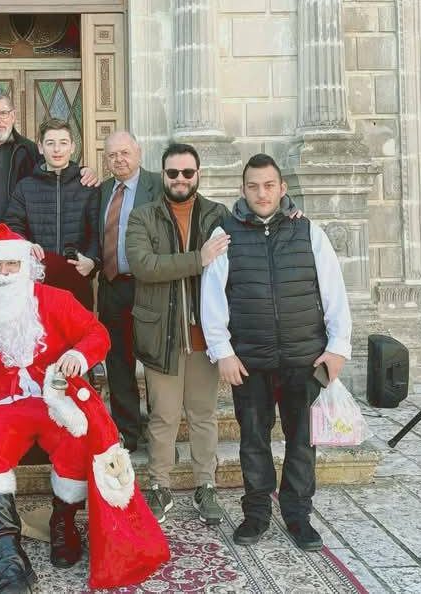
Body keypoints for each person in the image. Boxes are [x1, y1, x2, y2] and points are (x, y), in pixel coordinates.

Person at [0, 224, 168, 592]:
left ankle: (63, 522)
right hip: (0, 401)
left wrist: (78, 356)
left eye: (11, 265)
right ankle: (8, 553)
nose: (3, 274)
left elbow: (97, 333)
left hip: (52, 397)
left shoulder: (54, 299)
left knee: (77, 438)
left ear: (26, 268)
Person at [201, 153, 351, 552]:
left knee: (302, 440)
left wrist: (338, 347)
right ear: (243, 190)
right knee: (253, 439)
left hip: (304, 358)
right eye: (253, 186)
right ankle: (256, 514)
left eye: (269, 185)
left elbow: (333, 291)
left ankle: (298, 515)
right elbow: (212, 297)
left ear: (282, 188)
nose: (262, 193)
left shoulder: (308, 232)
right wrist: (222, 351)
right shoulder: (225, 234)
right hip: (250, 361)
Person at [125, 143, 230, 527]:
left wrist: (289, 209)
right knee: (164, 416)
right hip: (162, 335)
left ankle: (206, 485)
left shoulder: (218, 214)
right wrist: (197, 259)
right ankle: (160, 485)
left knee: (203, 415)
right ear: (163, 175)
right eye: (173, 173)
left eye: (188, 173)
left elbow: (255, 224)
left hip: (205, 336)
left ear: (198, 174)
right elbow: (144, 265)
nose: (181, 179)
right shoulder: (143, 216)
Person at [0, 87, 97, 228]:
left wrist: (81, 171)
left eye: (3, 113)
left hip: (18, 236)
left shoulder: (29, 150)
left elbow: (55, 170)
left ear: (13, 116)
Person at [95, 130, 158, 451]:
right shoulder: (102, 191)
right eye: (112, 155)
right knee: (118, 362)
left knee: (155, 362)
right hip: (112, 287)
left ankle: (160, 434)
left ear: (138, 152)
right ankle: (128, 432)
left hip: (149, 288)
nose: (118, 159)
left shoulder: (158, 185)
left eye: (124, 153)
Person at [4, 118, 99, 310]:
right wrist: (25, 245)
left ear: (72, 147)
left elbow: (98, 231)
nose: (57, 149)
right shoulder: (25, 187)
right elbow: (12, 226)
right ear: (40, 147)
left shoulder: (87, 186)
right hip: (36, 282)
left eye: (63, 143)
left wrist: (92, 261)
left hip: (77, 280)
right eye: (50, 143)